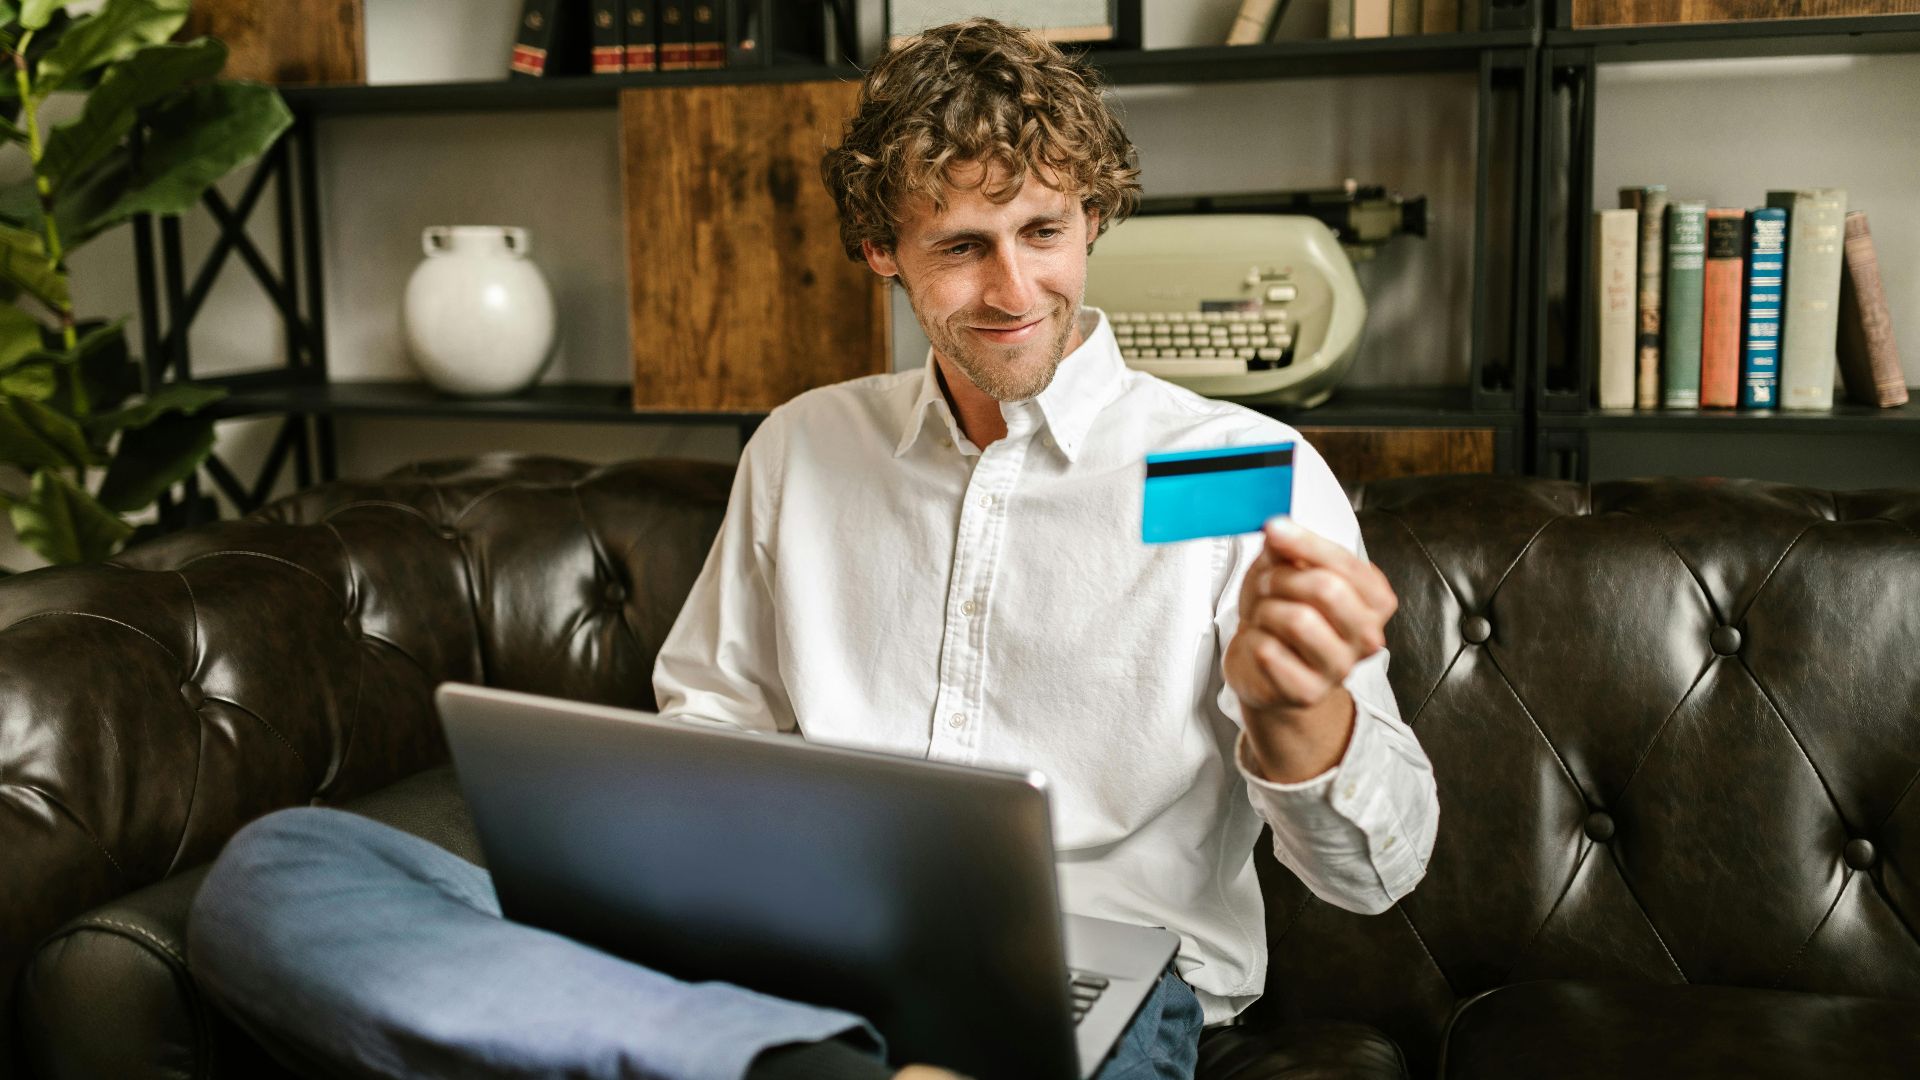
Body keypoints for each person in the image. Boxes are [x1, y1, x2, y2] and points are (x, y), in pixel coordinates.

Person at [188, 18, 1438, 1080]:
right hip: (790, 968)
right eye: (962, 246)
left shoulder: (1239, 473)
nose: (1014, 290)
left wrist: (1300, 717)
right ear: (881, 251)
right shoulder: (802, 447)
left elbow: (1377, 871)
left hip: (1086, 982)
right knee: (283, 873)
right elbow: (711, 730)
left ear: (1093, 216)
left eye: (1044, 231)